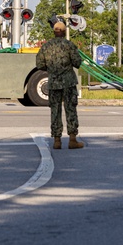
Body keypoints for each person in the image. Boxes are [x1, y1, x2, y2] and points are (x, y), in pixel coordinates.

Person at [35, 20, 84, 150]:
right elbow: (77, 62)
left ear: (54, 32)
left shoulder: (46, 47)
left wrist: (51, 69)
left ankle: (57, 141)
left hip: (53, 82)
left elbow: (39, 65)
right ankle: (72, 139)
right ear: (64, 32)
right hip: (68, 82)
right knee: (70, 109)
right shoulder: (69, 45)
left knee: (55, 111)